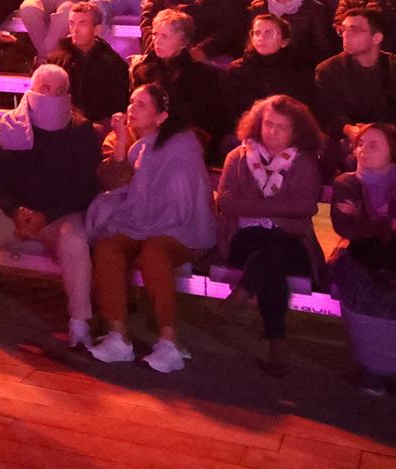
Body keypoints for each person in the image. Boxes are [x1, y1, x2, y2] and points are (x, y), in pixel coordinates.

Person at [85, 81, 216, 372]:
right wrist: (120, 141)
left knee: (154, 253)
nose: (131, 109)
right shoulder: (128, 141)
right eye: (131, 102)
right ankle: (118, 335)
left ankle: (169, 343)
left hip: (180, 228)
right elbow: (112, 183)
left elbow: (181, 202)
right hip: (139, 223)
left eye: (141, 105)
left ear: (161, 117)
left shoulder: (182, 145)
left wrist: (147, 219)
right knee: (108, 246)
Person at [0, 64, 99, 345]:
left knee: (75, 243)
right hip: (13, 211)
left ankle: (79, 321)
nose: (53, 96)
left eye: (60, 91)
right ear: (32, 90)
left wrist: (48, 215)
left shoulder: (80, 129)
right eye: (46, 89)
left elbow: (85, 184)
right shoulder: (9, 124)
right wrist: (14, 209)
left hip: (59, 215)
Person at [215, 94, 325, 376]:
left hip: (293, 243)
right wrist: (277, 210)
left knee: (272, 255)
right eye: (268, 124)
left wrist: (256, 208)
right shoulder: (238, 157)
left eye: (281, 127)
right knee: (269, 252)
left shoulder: (304, 162)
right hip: (245, 239)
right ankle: (277, 345)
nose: (272, 131)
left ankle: (244, 296)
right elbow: (226, 202)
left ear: (295, 131)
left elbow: (305, 206)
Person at [329, 123, 396, 395]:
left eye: (373, 145)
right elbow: (345, 227)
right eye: (360, 144)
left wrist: (363, 219)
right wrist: (385, 224)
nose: (363, 150)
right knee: (360, 290)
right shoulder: (347, 182)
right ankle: (371, 370)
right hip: (361, 256)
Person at [128, 10, 230, 155]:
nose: (157, 41)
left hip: (183, 139)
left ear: (183, 41)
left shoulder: (205, 75)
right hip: (144, 134)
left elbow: (205, 120)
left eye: (165, 36)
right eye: (155, 34)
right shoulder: (142, 71)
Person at [315, 8, 395, 166]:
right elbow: (327, 113)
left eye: (354, 30)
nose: (346, 35)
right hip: (348, 138)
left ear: (376, 37)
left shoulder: (392, 66)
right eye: (342, 30)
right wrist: (348, 129)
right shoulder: (329, 69)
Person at [225, 11, 318, 124]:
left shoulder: (299, 70)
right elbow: (234, 112)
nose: (261, 38)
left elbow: (304, 111)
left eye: (269, 33)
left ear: (284, 42)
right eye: (257, 33)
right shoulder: (237, 70)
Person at [48, 0, 130, 126]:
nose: (75, 30)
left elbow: (117, 106)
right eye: (71, 23)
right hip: (60, 124)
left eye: (82, 24)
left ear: (97, 29)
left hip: (97, 127)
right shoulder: (56, 61)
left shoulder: (114, 65)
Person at [253, 0, 336, 69]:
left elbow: (324, 48)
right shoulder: (256, 8)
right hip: (262, 66)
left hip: (301, 68)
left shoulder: (315, 10)